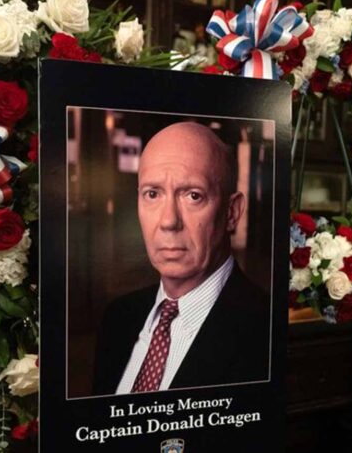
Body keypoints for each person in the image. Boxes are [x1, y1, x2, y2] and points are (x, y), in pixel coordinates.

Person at [92, 122, 270, 396]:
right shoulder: (118, 318)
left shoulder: (266, 330)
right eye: (152, 194)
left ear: (232, 213)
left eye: (193, 196)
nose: (168, 221)